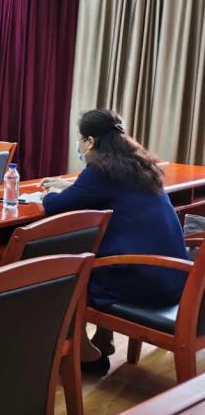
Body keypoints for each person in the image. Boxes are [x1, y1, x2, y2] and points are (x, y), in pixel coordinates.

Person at [41, 109, 190, 375]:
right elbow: (99, 193)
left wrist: (50, 193)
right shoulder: (141, 165)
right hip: (176, 277)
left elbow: (55, 207)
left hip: (145, 282)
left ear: (90, 141)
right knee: (102, 252)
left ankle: (84, 351)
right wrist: (69, 187)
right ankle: (104, 337)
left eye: (81, 139)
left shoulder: (99, 172)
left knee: (73, 272)